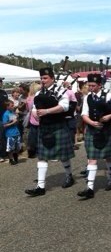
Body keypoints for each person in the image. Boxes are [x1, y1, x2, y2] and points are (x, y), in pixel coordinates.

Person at [25, 67, 75, 197]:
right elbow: (35, 108)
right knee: (42, 157)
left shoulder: (61, 91)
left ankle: (69, 176)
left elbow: (64, 106)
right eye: (41, 78)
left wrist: (47, 111)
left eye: (45, 78)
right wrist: (35, 114)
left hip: (58, 126)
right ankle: (40, 186)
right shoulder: (38, 93)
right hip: (44, 127)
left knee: (63, 156)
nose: (43, 80)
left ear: (52, 78)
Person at [77, 73, 111, 199]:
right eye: (89, 85)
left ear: (100, 85)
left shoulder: (108, 95)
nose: (91, 87)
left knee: (108, 157)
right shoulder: (87, 98)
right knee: (92, 158)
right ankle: (89, 188)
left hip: (106, 129)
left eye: (93, 85)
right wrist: (91, 122)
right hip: (92, 130)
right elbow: (84, 114)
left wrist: (109, 116)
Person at [2, 100, 21, 165]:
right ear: (7, 107)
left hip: (16, 132)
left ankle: (16, 157)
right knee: (10, 148)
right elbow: (4, 125)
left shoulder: (12, 112)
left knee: (17, 147)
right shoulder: (6, 114)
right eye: (11, 106)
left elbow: (16, 122)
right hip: (10, 134)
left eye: (13, 105)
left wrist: (17, 119)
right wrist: (12, 122)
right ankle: (11, 159)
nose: (13, 107)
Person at [26, 82, 41, 158]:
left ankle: (31, 151)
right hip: (38, 118)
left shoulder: (28, 98)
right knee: (39, 136)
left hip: (31, 119)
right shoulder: (37, 98)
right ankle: (38, 151)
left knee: (32, 136)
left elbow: (28, 109)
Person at [0, 77, 9, 162]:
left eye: (1, 81)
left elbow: (7, 103)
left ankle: (4, 154)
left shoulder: (3, 92)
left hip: (5, 117)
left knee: (4, 136)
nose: (1, 82)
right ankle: (1, 155)